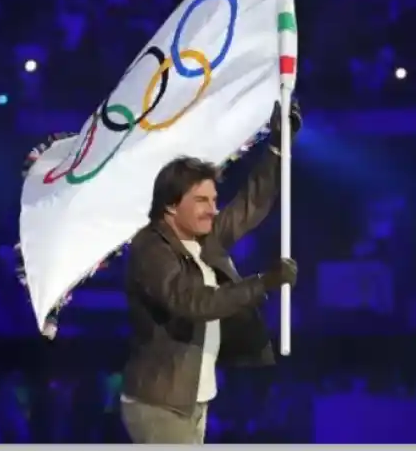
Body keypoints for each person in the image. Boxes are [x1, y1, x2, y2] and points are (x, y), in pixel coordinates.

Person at [119, 100, 302, 444]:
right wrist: (263, 282)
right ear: (171, 205)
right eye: (202, 201)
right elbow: (195, 302)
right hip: (159, 404)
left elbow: (251, 203)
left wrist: (278, 147)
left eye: (213, 200)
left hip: (193, 401)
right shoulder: (151, 248)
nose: (212, 210)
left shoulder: (203, 239)